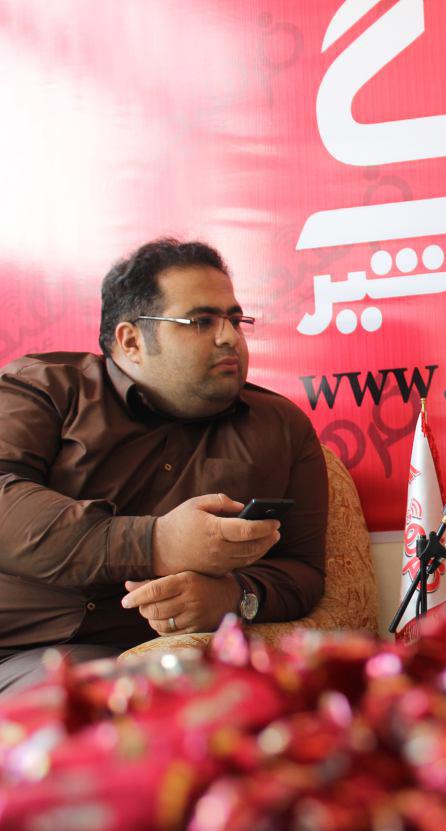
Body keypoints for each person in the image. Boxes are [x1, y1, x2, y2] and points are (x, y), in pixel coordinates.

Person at [0, 239, 327, 694]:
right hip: (15, 650)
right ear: (131, 340)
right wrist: (156, 543)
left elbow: (303, 571)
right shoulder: (44, 389)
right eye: (201, 321)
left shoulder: (281, 426)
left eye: (235, 320)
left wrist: (233, 596)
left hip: (151, 662)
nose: (229, 338)